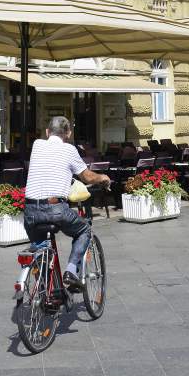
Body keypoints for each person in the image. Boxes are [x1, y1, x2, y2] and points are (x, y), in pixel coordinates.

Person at [23, 115, 110, 291]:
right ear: (68, 133)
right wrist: (103, 178)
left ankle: (47, 293)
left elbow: (49, 168)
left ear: (47, 132)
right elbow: (87, 177)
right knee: (84, 229)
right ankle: (71, 271)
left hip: (30, 211)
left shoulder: (37, 145)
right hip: (55, 209)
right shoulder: (69, 150)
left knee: (41, 249)